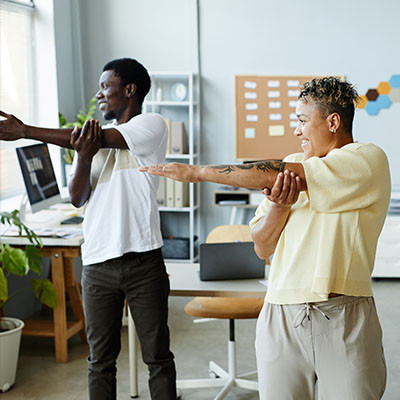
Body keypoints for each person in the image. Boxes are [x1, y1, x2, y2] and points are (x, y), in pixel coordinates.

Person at [139, 76, 390, 399]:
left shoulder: (367, 159)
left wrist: (198, 172)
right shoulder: (294, 166)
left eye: (302, 121)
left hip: (344, 314)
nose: (296, 130)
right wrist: (278, 207)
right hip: (281, 315)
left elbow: (276, 173)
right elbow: (261, 246)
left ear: (333, 122)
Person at [0, 58, 177, 400]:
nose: (99, 95)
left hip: (144, 263)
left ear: (129, 90)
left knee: (158, 358)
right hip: (97, 265)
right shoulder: (90, 140)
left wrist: (25, 131)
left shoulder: (150, 125)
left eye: (105, 87)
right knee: (99, 362)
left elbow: (104, 140)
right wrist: (82, 156)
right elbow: (78, 197)